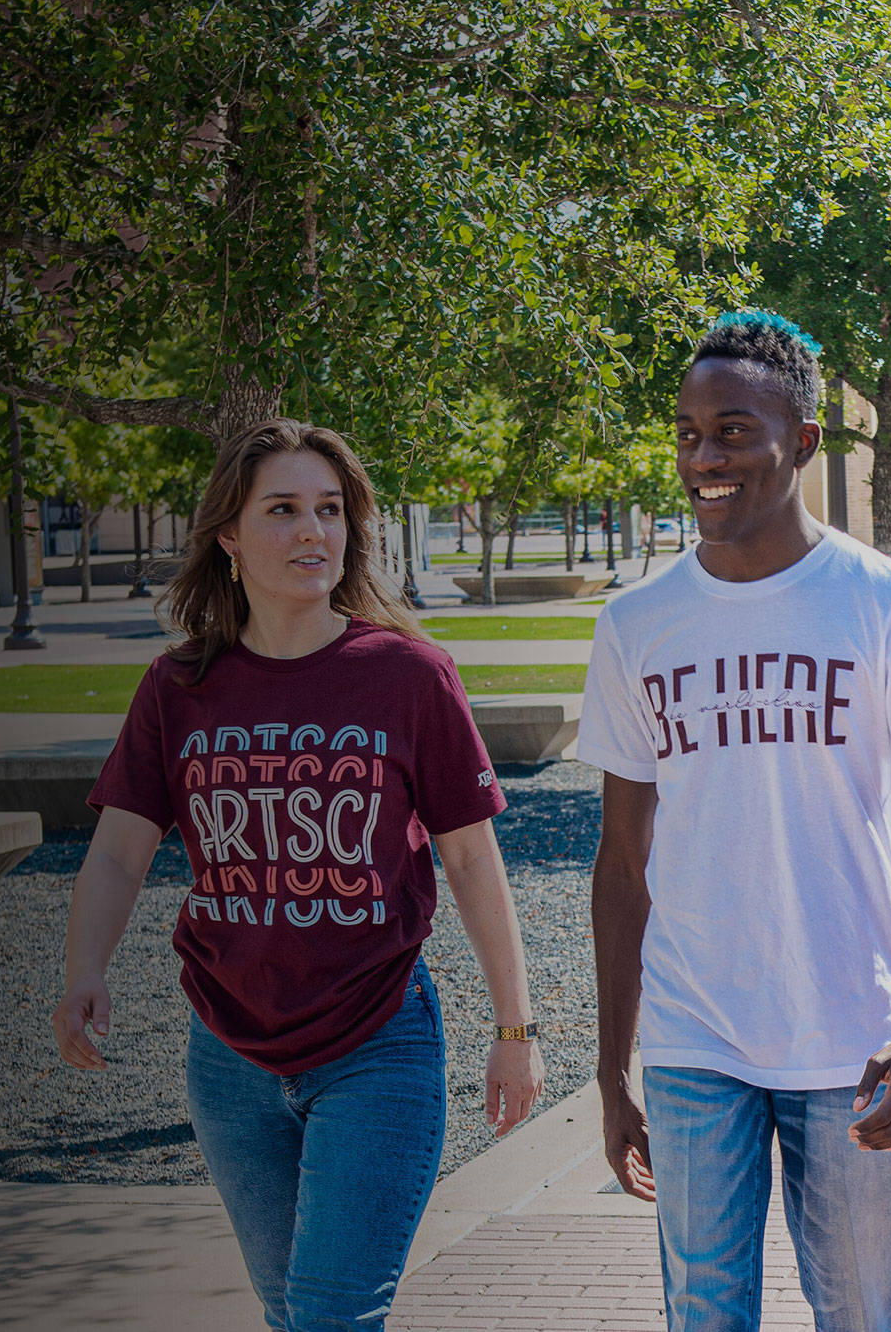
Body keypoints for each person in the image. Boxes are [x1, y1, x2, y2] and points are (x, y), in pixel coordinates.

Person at [52, 419, 546, 1331]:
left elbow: (472, 858)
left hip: (378, 1042)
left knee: (329, 1317)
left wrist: (513, 1027)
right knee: (293, 1316)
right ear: (229, 537)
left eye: (331, 510)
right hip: (228, 1055)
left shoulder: (409, 675)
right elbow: (121, 850)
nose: (313, 532)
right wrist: (85, 970)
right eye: (283, 510)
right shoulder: (180, 686)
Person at [582, 311, 891, 1332]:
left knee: (860, 1311)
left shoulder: (886, 604)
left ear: (803, 441)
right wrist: (609, 1065)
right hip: (691, 1039)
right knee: (704, 1314)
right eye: (686, 432)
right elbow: (621, 863)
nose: (701, 456)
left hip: (849, 1037)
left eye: (731, 430)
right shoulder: (636, 625)